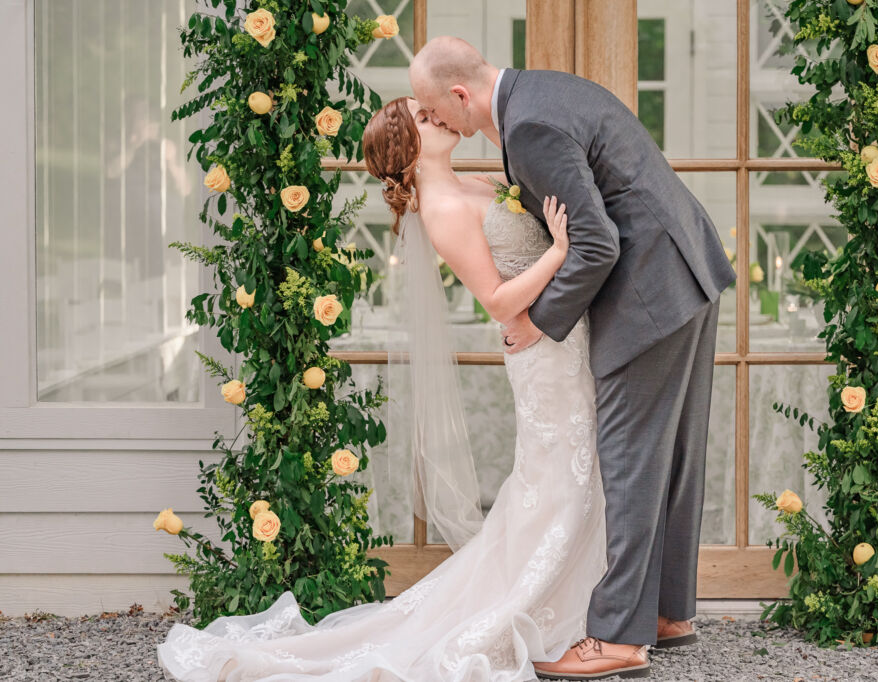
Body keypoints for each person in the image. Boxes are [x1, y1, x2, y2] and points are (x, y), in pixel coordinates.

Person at [156, 94, 625, 681]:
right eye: (422, 119)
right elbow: (500, 302)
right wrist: (558, 251)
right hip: (541, 351)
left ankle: (590, 602)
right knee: (558, 476)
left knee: (575, 473)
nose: (436, 118)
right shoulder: (444, 210)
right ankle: (556, 608)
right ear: (407, 151)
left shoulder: (479, 181)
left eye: (432, 111)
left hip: (568, 339)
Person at [408, 37, 735, 679]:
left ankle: (617, 638)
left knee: (629, 458)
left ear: (458, 95)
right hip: (684, 271)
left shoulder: (527, 127)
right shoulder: (543, 90)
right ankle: (668, 614)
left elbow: (596, 241)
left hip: (649, 294)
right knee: (672, 455)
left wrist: (537, 323)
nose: (438, 123)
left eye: (433, 109)